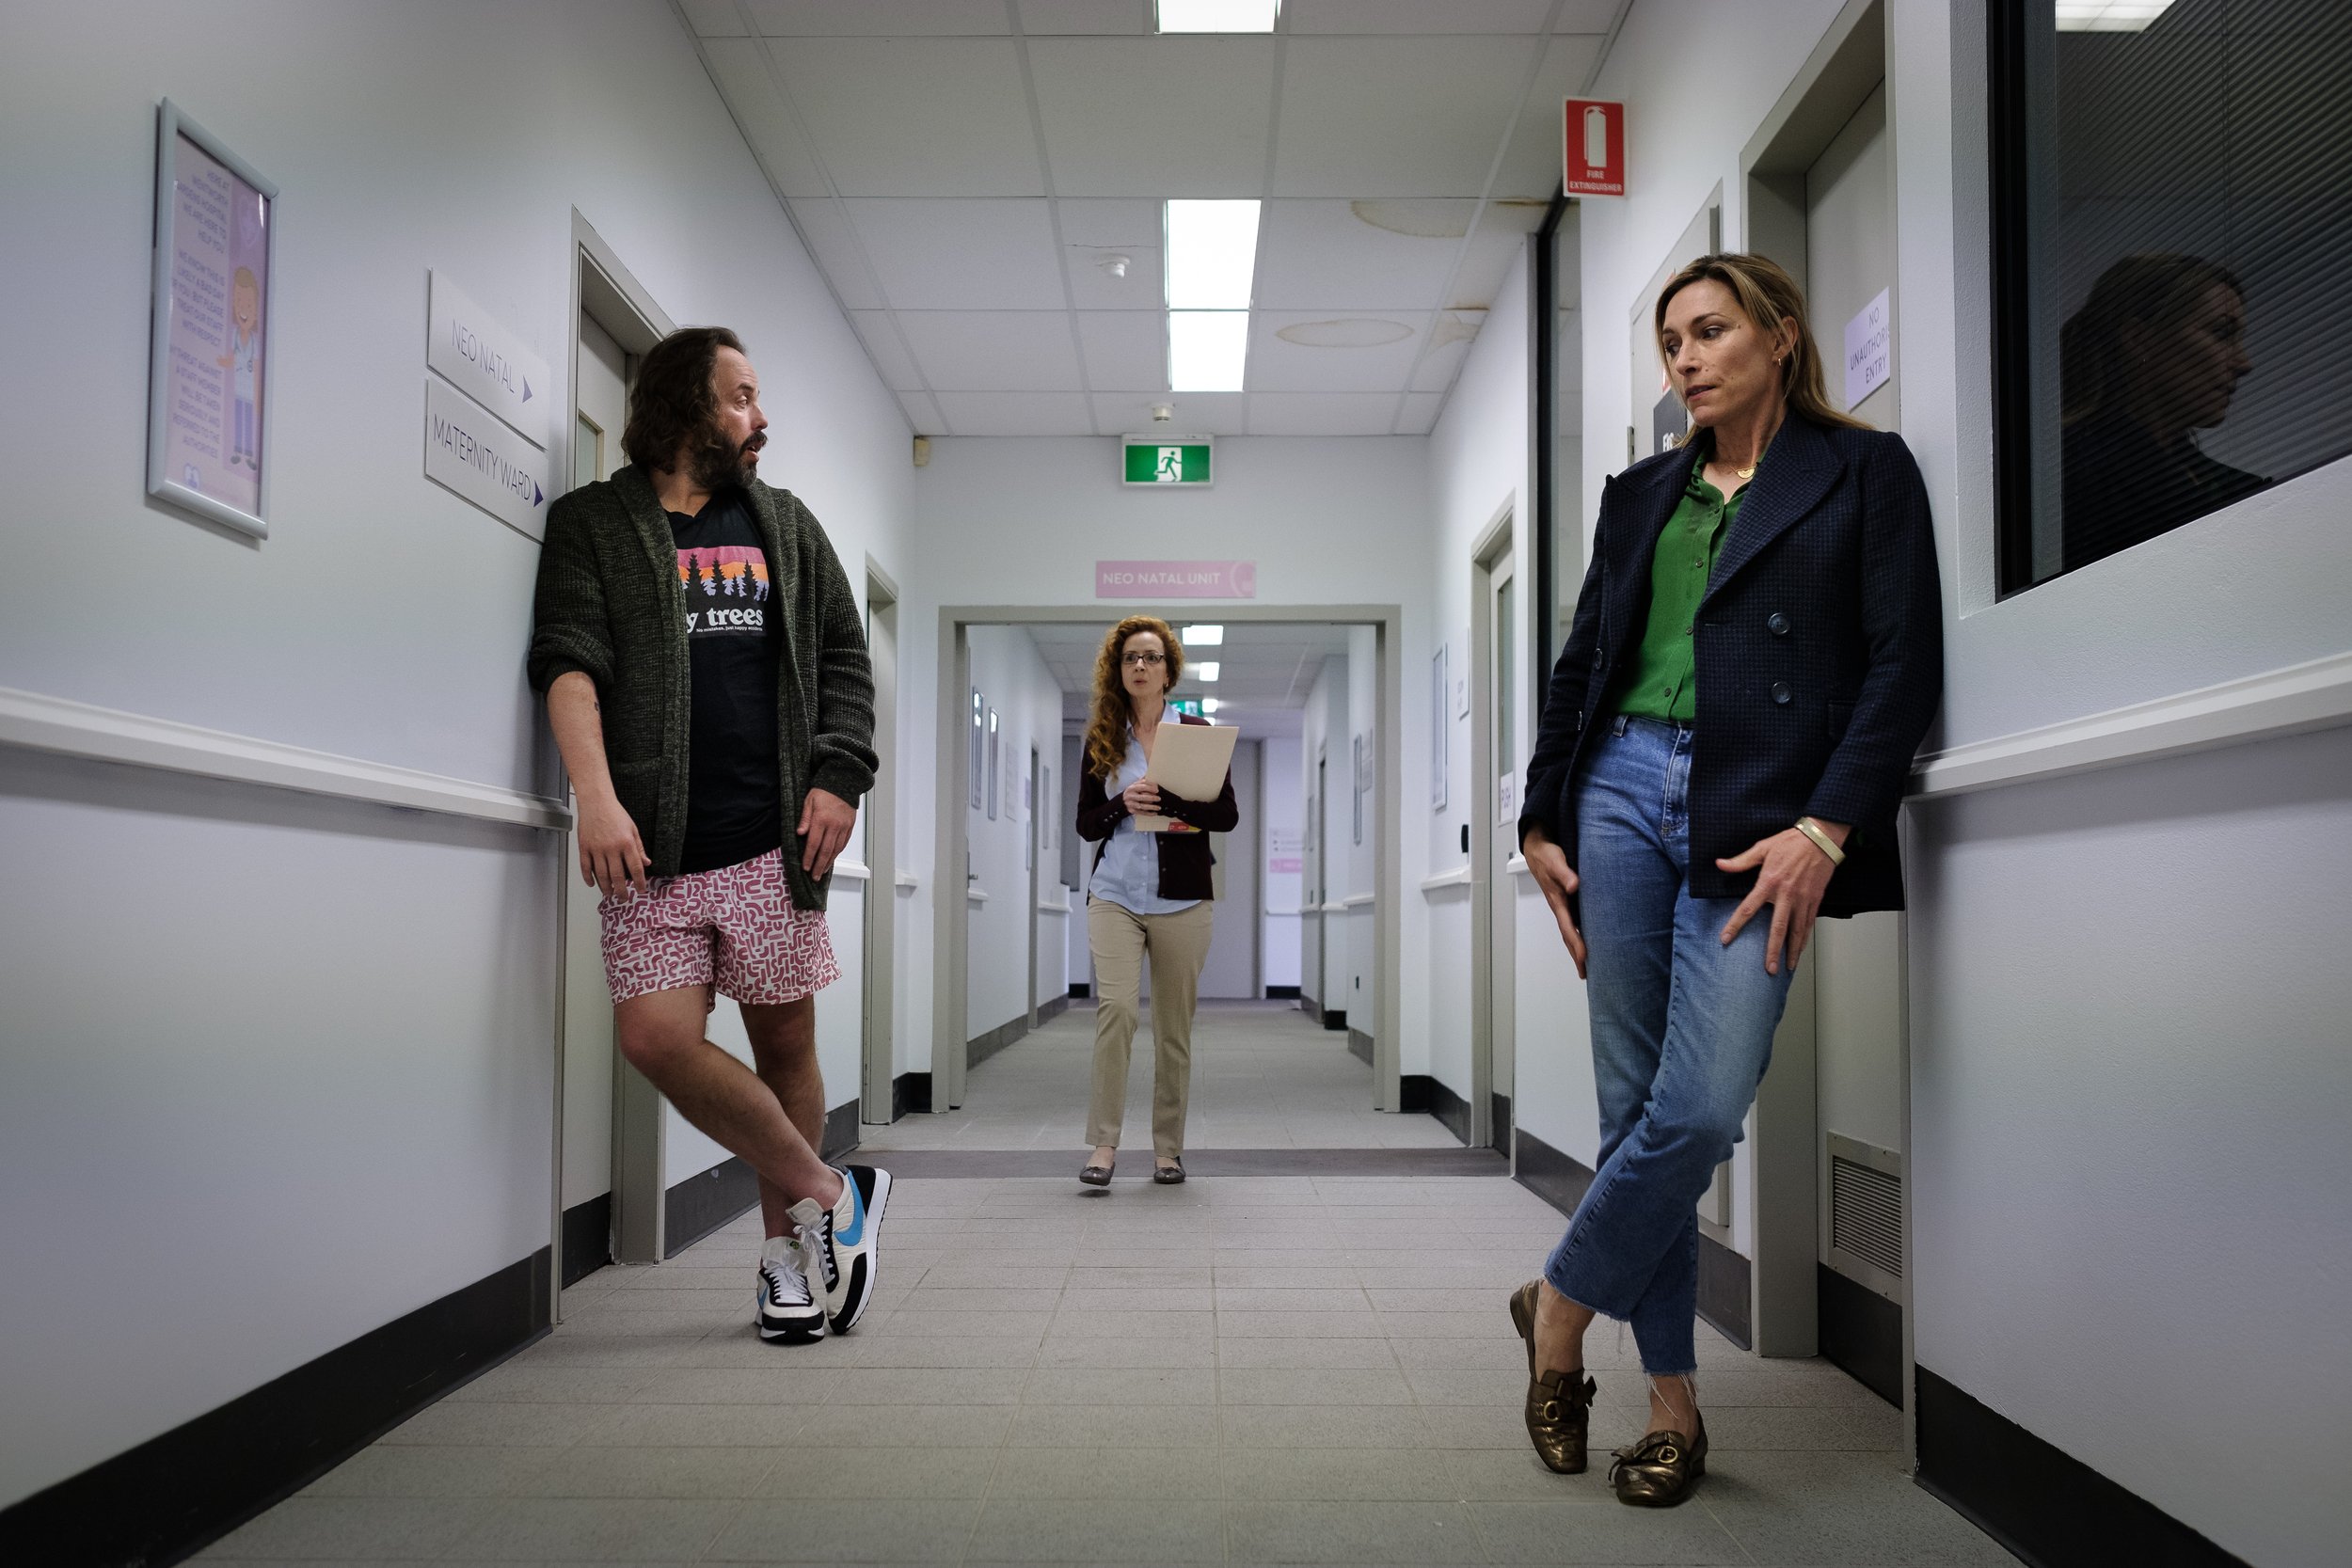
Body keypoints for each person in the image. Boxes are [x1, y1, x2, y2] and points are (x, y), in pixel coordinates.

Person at [1512, 254, 1943, 1506]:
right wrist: (1543, 811)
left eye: (1711, 331)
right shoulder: (1643, 493)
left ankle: (1556, 1306)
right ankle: (1672, 1404)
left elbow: (1902, 663)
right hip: (1620, 794)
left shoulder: (1863, 473)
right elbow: (1583, 658)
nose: (1688, 359)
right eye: (1672, 343)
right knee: (1629, 1102)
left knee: (1696, 1109)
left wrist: (1829, 825)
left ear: (1780, 334)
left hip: (1763, 810)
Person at [529, 325, 888, 1345]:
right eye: (740, 397)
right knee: (653, 1036)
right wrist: (592, 794)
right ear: (686, 405)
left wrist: (838, 777)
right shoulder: (594, 524)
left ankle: (785, 1260)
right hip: (651, 851)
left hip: (773, 843)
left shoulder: (783, 521)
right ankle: (829, 1190)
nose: (758, 417)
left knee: (785, 1042)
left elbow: (844, 661)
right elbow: (566, 660)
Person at [1073, 616, 1238, 1186]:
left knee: (1173, 1028)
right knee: (1116, 1013)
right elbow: (1085, 825)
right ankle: (1103, 1146)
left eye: (1150, 658)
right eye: (1129, 659)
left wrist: (1169, 800)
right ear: (1118, 671)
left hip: (1183, 900)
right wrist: (1123, 802)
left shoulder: (1197, 730)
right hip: (1114, 893)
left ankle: (1167, 1149)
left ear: (1169, 669)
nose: (1139, 667)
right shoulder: (1102, 738)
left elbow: (1227, 817)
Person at [2059, 253, 2267, 574]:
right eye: (2222, 333)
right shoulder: (2064, 475)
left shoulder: (2242, 492)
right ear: (2139, 339)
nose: (2244, 363)